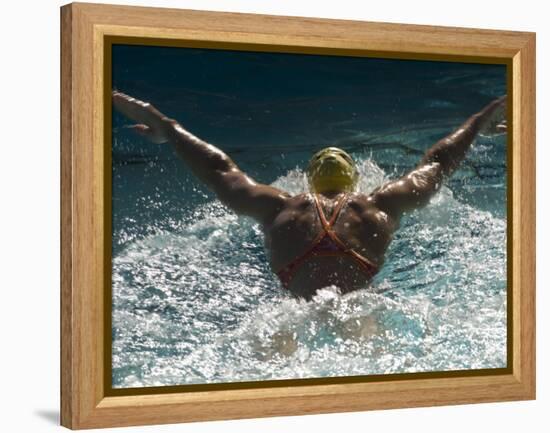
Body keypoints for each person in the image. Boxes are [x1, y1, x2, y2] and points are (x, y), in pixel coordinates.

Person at [113, 91, 507, 300]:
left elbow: (221, 170)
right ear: (353, 180)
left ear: (308, 181)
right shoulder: (377, 206)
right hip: (360, 306)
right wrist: (478, 122)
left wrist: (171, 128)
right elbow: (436, 164)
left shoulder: (281, 207)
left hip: (292, 313)